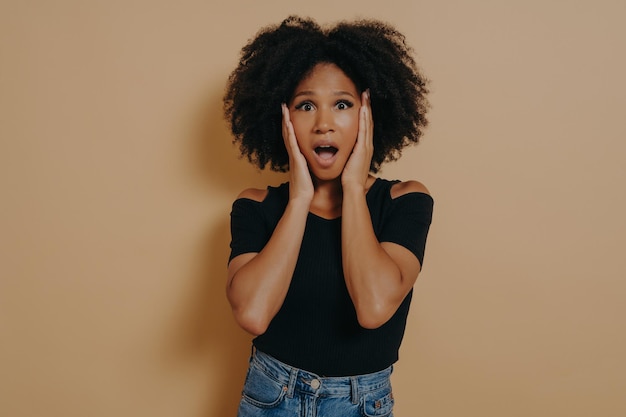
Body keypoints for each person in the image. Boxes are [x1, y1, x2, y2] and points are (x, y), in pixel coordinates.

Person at [223, 15, 433, 417]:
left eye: (342, 104)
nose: (323, 124)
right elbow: (252, 314)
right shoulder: (256, 206)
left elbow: (373, 308)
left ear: (369, 115)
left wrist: (354, 188)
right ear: (282, 118)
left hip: (361, 405)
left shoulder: (405, 200)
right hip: (269, 398)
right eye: (306, 105)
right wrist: (300, 197)